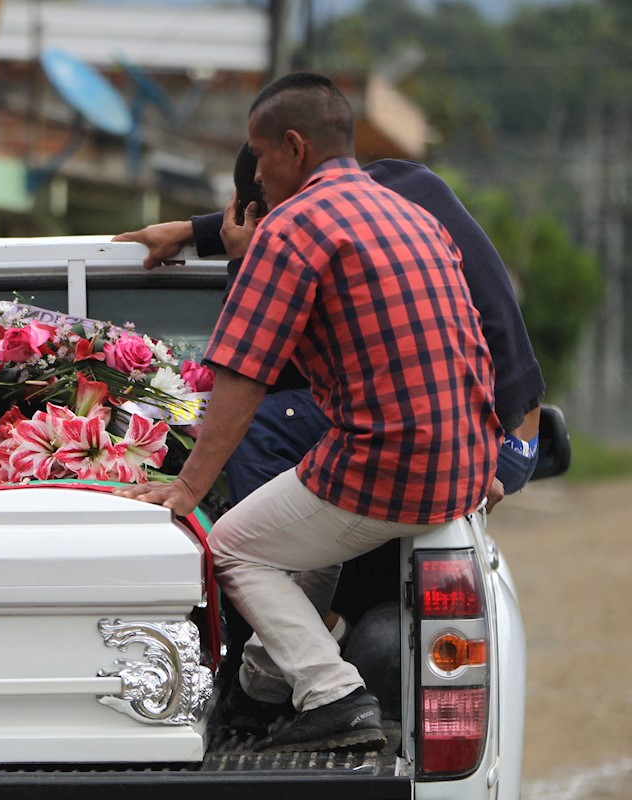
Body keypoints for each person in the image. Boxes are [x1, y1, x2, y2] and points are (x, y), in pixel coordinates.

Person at [114, 72, 503, 753]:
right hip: (462, 467)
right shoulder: (412, 215)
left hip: (388, 461)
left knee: (232, 545)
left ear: (293, 148)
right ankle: (260, 692)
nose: (255, 179)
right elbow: (473, 343)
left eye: (259, 159)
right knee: (304, 543)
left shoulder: (293, 227)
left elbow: (240, 377)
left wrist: (188, 489)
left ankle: (333, 696)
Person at [116, 149, 544, 505]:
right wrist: (195, 230)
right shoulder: (403, 182)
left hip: (477, 438)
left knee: (259, 423)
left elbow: (257, 367)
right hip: (514, 433)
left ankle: (279, 571)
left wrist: (245, 261)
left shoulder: (310, 252)